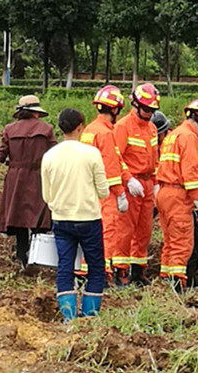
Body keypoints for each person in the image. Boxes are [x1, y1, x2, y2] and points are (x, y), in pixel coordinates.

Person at [41, 109, 109, 321]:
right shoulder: (91, 154)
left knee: (65, 267)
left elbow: (46, 195)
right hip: (89, 219)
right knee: (96, 268)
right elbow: (104, 191)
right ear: (81, 127)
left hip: (61, 219)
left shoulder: (49, 156)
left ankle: (69, 317)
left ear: (60, 127)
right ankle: (89, 315)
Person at [0, 95, 57, 269]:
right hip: (38, 177)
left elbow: (0, 157)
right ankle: (38, 256)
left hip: (16, 179)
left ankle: (22, 257)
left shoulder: (10, 129)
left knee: (19, 218)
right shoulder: (46, 129)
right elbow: (55, 155)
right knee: (39, 216)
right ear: (36, 112)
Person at [156, 99, 198, 290]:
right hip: (178, 195)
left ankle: (166, 279)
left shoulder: (173, 135)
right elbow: (189, 171)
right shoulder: (189, 137)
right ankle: (177, 285)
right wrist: (197, 198)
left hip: (164, 193)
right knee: (182, 242)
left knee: (170, 241)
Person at [79, 86, 129, 285]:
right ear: (115, 109)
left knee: (89, 232)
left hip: (87, 189)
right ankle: (102, 273)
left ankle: (85, 270)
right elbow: (110, 166)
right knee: (107, 232)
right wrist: (120, 193)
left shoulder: (89, 130)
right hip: (104, 192)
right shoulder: (106, 133)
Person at [113, 83, 160, 286]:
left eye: (152, 110)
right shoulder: (123, 127)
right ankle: (120, 270)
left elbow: (155, 159)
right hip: (131, 184)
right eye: (147, 109)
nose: (149, 113)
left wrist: (156, 183)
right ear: (136, 105)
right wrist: (128, 179)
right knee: (125, 229)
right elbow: (116, 157)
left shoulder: (152, 128)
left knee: (144, 230)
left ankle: (138, 271)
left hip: (147, 184)